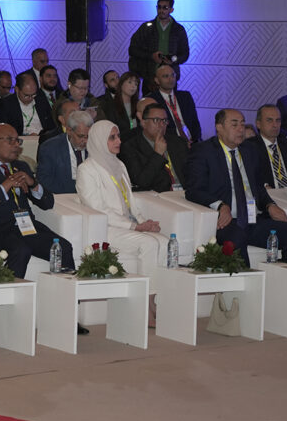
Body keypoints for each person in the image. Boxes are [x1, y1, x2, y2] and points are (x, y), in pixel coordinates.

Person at [185, 109, 287, 319]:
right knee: (237, 236)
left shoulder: (249, 151)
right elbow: (193, 189)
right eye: (234, 124)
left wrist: (270, 205)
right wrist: (220, 205)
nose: (240, 129)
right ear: (219, 127)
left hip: (253, 219)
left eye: (242, 123)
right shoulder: (203, 151)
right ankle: (246, 303)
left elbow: (257, 188)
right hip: (226, 222)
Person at [76, 120, 169, 321]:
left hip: (128, 225)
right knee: (149, 244)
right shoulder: (87, 169)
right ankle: (146, 305)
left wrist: (144, 222)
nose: (119, 141)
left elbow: (131, 203)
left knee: (164, 241)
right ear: (99, 140)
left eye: (118, 136)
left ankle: (157, 299)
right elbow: (98, 208)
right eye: (112, 137)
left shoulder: (119, 164)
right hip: (106, 228)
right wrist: (135, 226)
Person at [0, 123, 74, 278]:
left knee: (62, 247)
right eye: (10, 140)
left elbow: (47, 203)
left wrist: (33, 184)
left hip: (27, 226)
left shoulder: (21, 166)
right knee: (20, 250)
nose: (16, 145)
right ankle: (13, 292)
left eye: (17, 140)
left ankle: (62, 290)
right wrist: (5, 186)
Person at [119, 102, 188, 193]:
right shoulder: (130, 148)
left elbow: (191, 173)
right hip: (157, 196)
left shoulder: (178, 142)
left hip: (183, 193)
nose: (161, 124)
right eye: (156, 120)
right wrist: (158, 154)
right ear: (143, 123)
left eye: (164, 120)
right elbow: (141, 182)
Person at [128, 0, 190, 90]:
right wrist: (151, 56)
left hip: (170, 78)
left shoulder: (178, 29)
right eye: (159, 7)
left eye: (165, 7)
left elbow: (185, 54)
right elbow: (133, 50)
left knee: (169, 100)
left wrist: (173, 59)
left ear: (171, 10)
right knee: (149, 99)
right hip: (150, 77)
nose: (161, 10)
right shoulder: (146, 28)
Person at [36, 108, 93, 194]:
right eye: (81, 136)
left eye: (88, 136)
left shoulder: (95, 146)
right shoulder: (49, 148)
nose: (85, 141)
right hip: (62, 196)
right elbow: (44, 180)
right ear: (69, 131)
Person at [240, 104, 287, 190]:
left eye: (278, 120)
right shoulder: (249, 147)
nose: (275, 125)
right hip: (268, 194)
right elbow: (247, 175)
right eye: (269, 120)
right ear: (258, 124)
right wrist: (264, 186)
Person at [145, 64, 201, 144]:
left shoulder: (185, 96)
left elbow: (195, 123)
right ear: (157, 80)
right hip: (169, 144)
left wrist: (195, 140)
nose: (170, 79)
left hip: (192, 142)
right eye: (165, 76)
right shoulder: (152, 100)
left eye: (173, 75)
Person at [98, 72, 140, 140]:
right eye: (130, 82)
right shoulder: (109, 104)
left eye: (136, 84)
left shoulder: (138, 104)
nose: (133, 86)